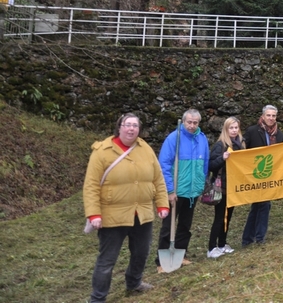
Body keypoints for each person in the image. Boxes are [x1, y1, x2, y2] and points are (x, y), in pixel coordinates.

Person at [83, 113, 169, 302]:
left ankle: (134, 282)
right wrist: (94, 213)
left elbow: (158, 179)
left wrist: (162, 203)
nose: (131, 129)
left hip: (142, 214)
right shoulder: (102, 151)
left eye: (135, 126)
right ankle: (97, 298)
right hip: (113, 216)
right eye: (127, 125)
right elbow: (91, 185)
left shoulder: (145, 148)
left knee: (141, 253)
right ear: (119, 127)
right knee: (107, 260)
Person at [156, 109, 209, 269]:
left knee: (185, 225)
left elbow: (204, 165)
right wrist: (170, 191)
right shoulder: (174, 138)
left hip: (192, 192)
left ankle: (181, 253)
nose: (192, 126)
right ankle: (161, 260)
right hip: (177, 192)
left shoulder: (202, 139)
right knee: (168, 226)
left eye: (195, 123)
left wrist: (200, 188)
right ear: (184, 121)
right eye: (189, 122)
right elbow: (164, 165)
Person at [241, 105, 283, 246]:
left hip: (270, 175)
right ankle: (258, 238)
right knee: (263, 205)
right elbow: (242, 150)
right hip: (254, 174)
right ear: (263, 116)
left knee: (260, 205)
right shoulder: (252, 131)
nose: (271, 118)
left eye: (273, 116)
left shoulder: (279, 135)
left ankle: (249, 239)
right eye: (268, 115)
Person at [206, 117, 245, 259]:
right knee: (219, 217)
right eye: (231, 128)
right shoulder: (220, 145)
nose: (234, 130)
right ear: (226, 129)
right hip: (221, 187)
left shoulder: (241, 144)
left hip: (233, 187)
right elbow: (210, 165)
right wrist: (222, 158)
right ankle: (211, 247)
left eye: (236, 128)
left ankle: (222, 244)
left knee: (228, 217)